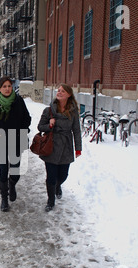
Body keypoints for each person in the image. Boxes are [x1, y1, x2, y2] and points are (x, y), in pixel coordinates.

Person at [0, 76, 32, 212]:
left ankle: (12, 184)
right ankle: (4, 199)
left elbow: (27, 118)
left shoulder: (18, 101)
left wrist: (22, 130)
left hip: (16, 140)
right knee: (3, 170)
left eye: (9, 86)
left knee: (15, 171)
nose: (7, 89)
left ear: (12, 87)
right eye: (4, 86)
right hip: (2, 142)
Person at [37, 84, 82, 212]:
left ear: (69, 94)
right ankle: (51, 201)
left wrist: (78, 148)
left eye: (63, 91)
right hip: (51, 146)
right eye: (59, 90)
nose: (60, 92)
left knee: (63, 175)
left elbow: (76, 131)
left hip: (66, 147)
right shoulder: (49, 110)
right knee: (51, 176)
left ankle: (57, 186)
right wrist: (49, 126)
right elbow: (40, 127)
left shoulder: (73, 112)